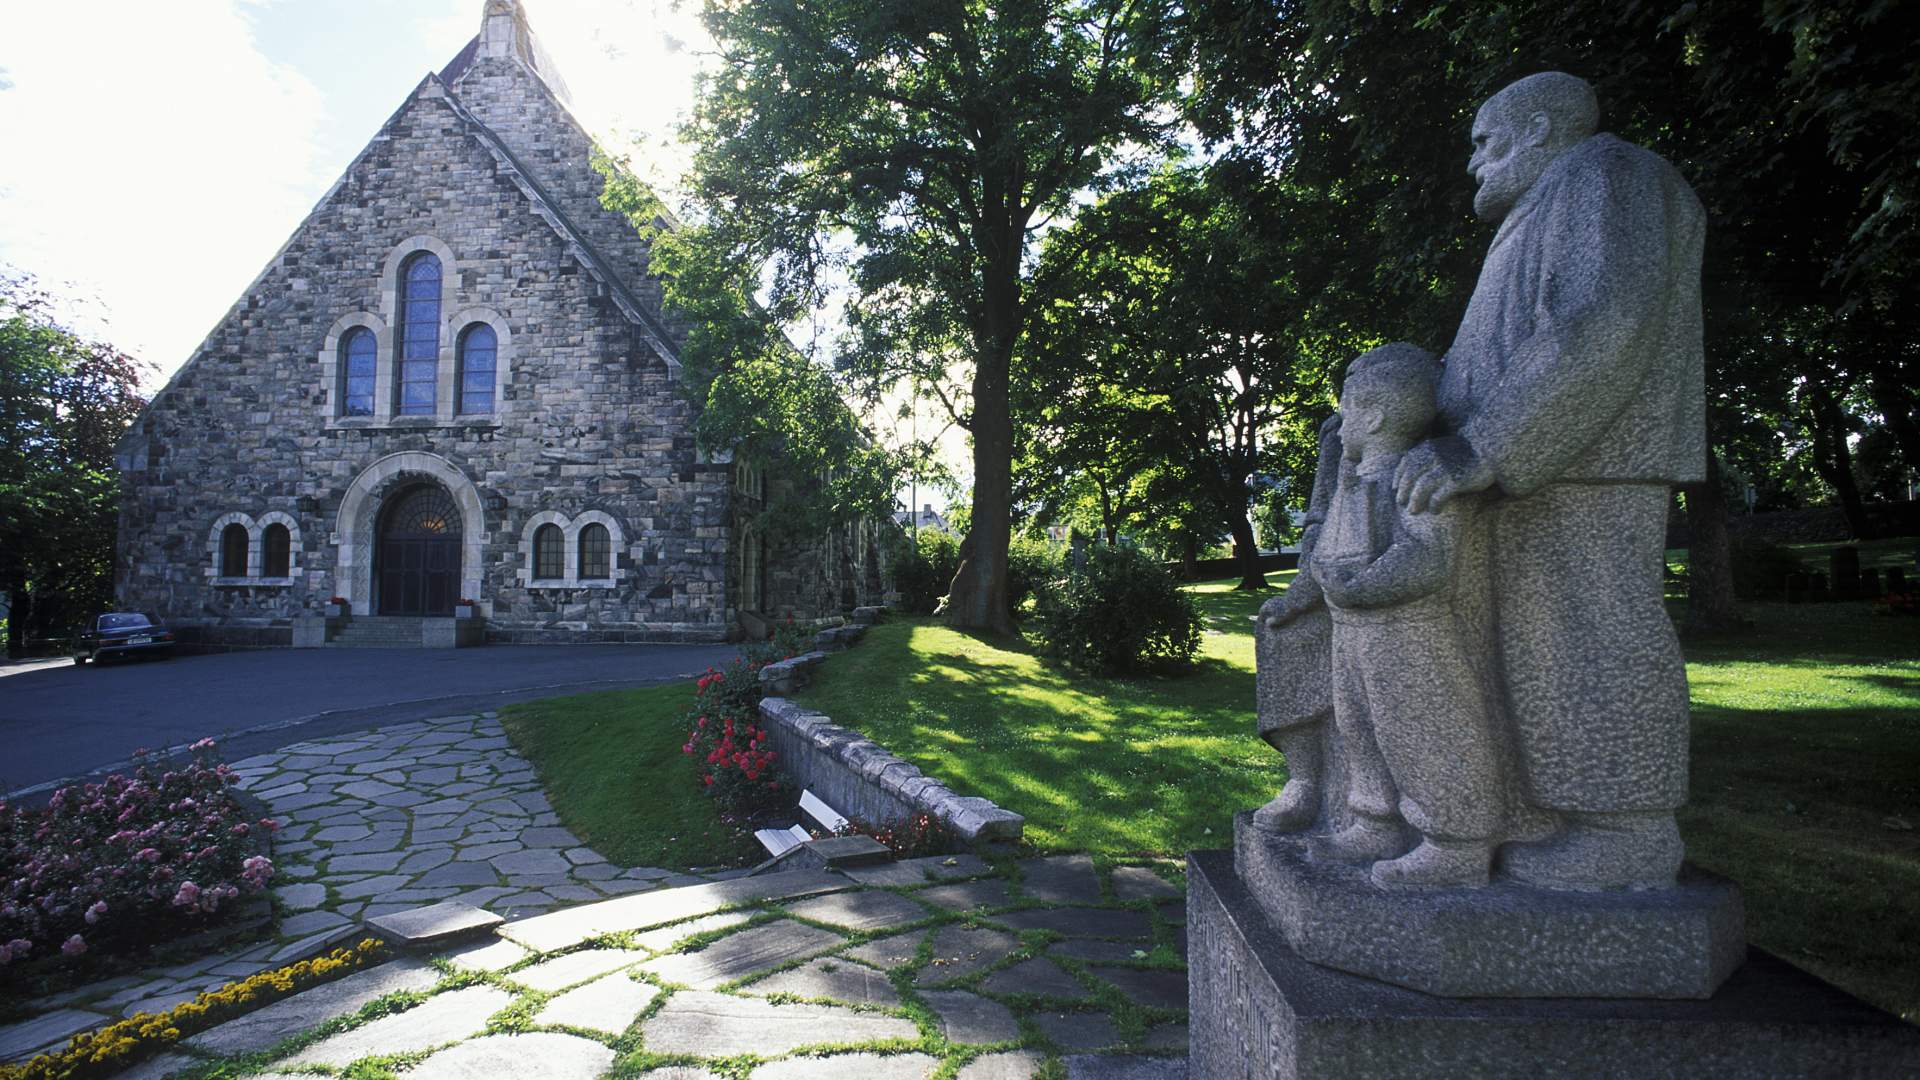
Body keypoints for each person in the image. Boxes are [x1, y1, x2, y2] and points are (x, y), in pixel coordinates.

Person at [1392, 71, 1706, 890]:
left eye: (1485, 141)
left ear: (1539, 128)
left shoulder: (1606, 174)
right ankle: (1540, 816)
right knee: (1535, 651)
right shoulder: (1547, 202)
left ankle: (1626, 832)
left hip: (1585, 465)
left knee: (1588, 636)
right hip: (1536, 471)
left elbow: (1605, 318)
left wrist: (1486, 444)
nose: (1473, 161)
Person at [1310, 344, 1506, 888]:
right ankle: (1375, 820)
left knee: (1421, 727)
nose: (1340, 424)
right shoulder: (1352, 478)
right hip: (1351, 630)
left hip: (1405, 633)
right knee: (1359, 727)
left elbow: (1428, 556)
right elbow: (1326, 543)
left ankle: (1455, 840)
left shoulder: (1417, 474)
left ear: (1373, 417)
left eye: (1348, 410)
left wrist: (1362, 586)